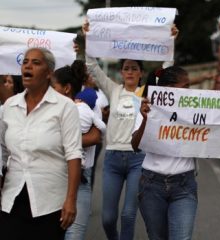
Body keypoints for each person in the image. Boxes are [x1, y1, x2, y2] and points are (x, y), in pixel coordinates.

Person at [131, 66, 220, 240]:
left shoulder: (194, 110)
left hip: (184, 186)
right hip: (151, 185)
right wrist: (145, 120)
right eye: (185, 86)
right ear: (170, 88)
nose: (189, 91)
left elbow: (210, 133)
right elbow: (135, 145)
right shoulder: (149, 107)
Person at [0, 47, 82, 239]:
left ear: (49, 73)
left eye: (36, 63)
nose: (28, 66)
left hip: (50, 202)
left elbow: (74, 154)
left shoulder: (65, 106)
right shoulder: (10, 106)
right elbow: (2, 150)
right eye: (25, 62)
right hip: (12, 197)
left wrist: (71, 200)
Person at [80, 21, 148, 240]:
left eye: (134, 68)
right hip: (113, 160)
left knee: (129, 214)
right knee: (108, 219)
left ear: (141, 73)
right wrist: (88, 38)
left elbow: (167, 72)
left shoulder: (147, 92)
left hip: (138, 159)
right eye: (126, 68)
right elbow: (92, 66)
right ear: (121, 72)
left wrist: (171, 39)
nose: (129, 72)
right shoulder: (113, 89)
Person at [50, 62, 106, 240]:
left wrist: (57, 140)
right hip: (50, 180)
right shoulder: (46, 108)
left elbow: (95, 137)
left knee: (73, 236)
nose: (48, 91)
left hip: (80, 180)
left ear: (66, 88)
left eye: (52, 87)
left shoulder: (87, 105)